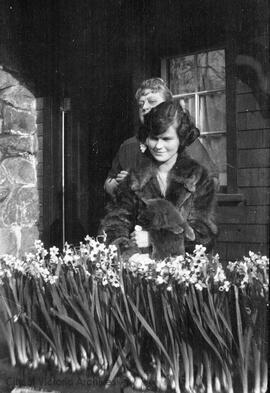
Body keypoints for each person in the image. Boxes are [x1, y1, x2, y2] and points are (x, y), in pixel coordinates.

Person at [100, 100, 218, 259]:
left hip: (187, 271)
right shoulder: (135, 178)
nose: (158, 146)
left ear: (181, 139)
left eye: (167, 139)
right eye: (154, 138)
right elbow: (114, 224)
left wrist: (153, 239)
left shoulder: (199, 178)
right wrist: (131, 255)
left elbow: (204, 234)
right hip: (141, 269)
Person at [104, 78, 219, 197]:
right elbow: (109, 183)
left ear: (168, 106)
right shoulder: (128, 146)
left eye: (152, 101)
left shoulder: (185, 140)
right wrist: (120, 185)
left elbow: (212, 183)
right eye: (141, 104)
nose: (144, 107)